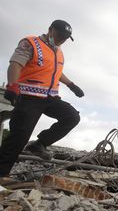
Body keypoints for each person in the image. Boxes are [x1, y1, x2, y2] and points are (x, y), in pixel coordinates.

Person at [0, 20, 83, 178]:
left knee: (71, 117)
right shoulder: (30, 43)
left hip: (50, 98)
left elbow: (55, 72)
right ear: (50, 30)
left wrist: (71, 85)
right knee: (19, 138)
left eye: (64, 39)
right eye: (59, 36)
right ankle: (1, 175)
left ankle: (39, 144)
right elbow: (15, 64)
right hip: (28, 97)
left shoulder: (58, 52)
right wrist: (12, 85)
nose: (61, 41)